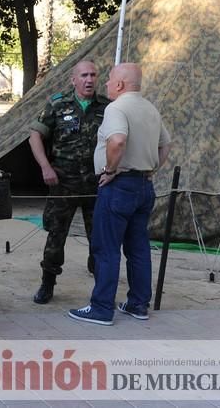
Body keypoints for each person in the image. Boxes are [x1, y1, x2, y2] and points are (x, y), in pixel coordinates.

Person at [69, 63, 171, 326]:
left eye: (109, 79)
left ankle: (101, 308)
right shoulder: (150, 108)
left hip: (119, 185)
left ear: (120, 84)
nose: (104, 83)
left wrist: (110, 170)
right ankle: (138, 304)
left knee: (107, 248)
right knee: (138, 248)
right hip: (144, 186)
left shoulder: (116, 108)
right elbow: (165, 144)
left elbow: (117, 141)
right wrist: (151, 169)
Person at [28, 60, 110, 304]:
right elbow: (35, 136)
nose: (89, 80)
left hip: (97, 184)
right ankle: (47, 283)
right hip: (63, 182)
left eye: (93, 75)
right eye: (84, 75)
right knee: (56, 235)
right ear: (73, 79)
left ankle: (100, 288)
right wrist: (45, 167)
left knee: (99, 238)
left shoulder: (107, 107)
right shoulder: (57, 104)